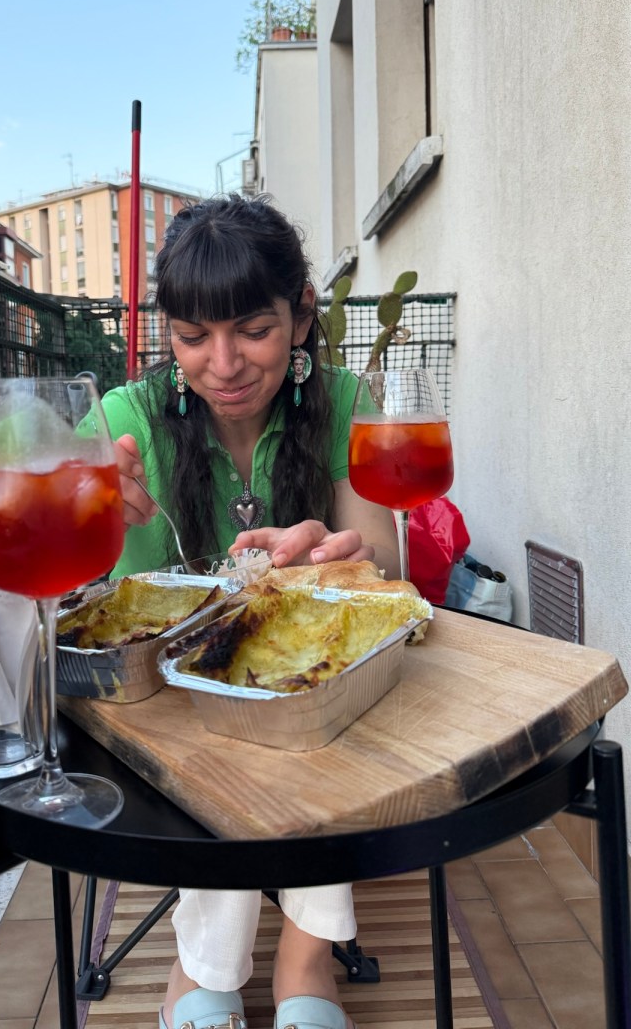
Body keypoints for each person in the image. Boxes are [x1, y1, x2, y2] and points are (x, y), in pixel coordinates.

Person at [101, 194, 401, 1029]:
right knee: (221, 736)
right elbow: (79, 596)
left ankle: (303, 959)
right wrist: (84, 507)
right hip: (172, 706)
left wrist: (338, 555)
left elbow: (386, 558)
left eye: (253, 330)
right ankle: (205, 964)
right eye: (193, 336)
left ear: (300, 316)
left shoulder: (342, 401)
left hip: (309, 683)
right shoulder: (126, 419)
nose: (223, 364)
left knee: (317, 703)